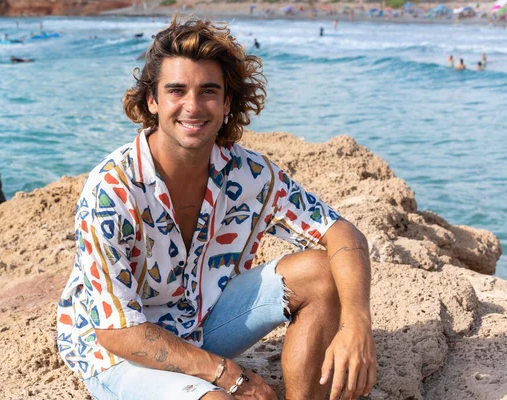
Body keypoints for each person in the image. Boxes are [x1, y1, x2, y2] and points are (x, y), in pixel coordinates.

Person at [57, 16, 376, 400]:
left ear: (226, 102)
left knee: (322, 273)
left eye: (208, 91)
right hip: (119, 352)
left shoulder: (248, 172)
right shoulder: (111, 190)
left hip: (202, 322)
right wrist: (229, 375)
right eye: (176, 90)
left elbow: (341, 232)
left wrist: (356, 324)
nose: (193, 106)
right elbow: (116, 330)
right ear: (152, 101)